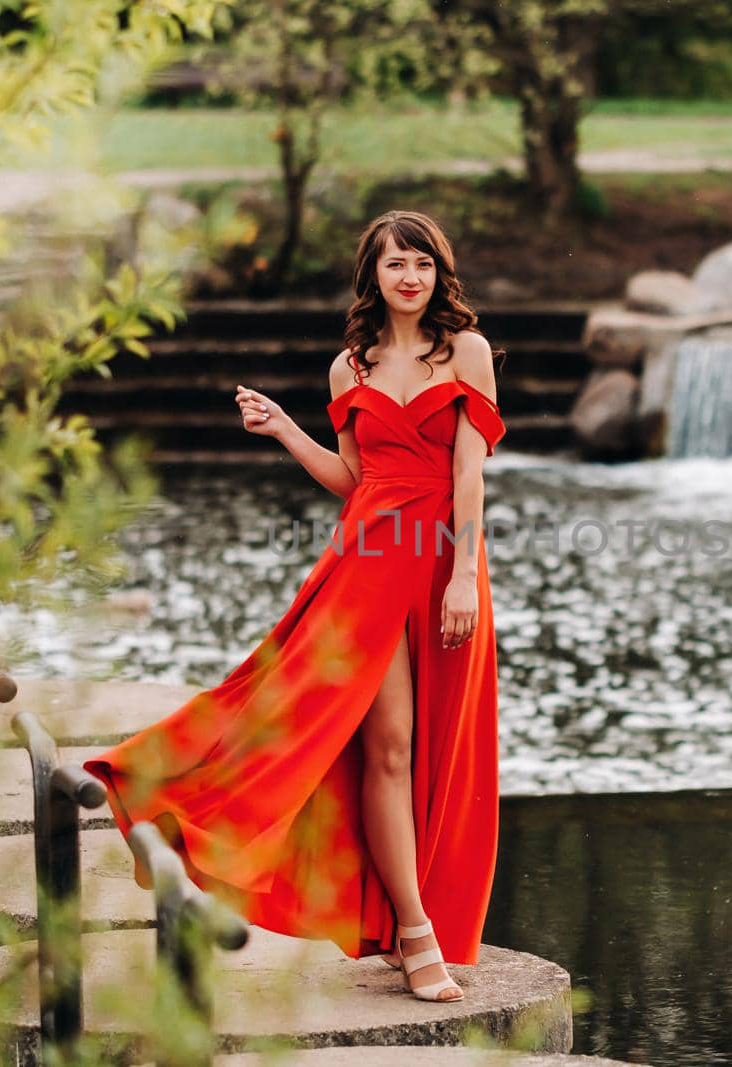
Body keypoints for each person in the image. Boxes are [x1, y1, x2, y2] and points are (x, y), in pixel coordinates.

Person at [84, 209, 507, 1004]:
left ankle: (400, 922)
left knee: (436, 753)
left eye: (421, 263)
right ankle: (417, 939)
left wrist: (461, 573)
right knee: (384, 745)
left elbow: (470, 476)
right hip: (367, 563)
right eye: (394, 265)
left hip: (445, 566)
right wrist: (283, 429)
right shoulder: (349, 368)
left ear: (438, 272)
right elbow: (354, 479)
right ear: (372, 278)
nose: (408, 277)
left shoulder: (468, 353)